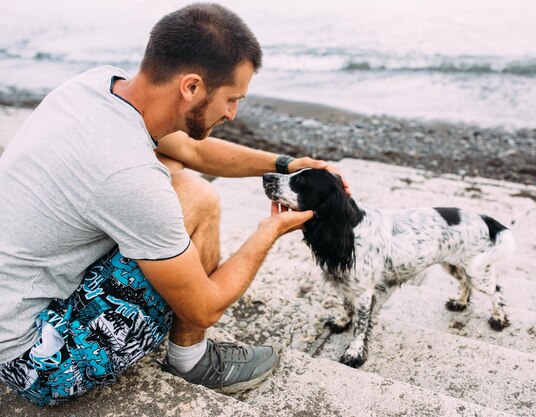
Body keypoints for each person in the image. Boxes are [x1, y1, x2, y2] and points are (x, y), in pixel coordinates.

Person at [0, 3, 349, 406]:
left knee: (172, 162)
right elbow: (205, 308)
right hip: (34, 357)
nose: (233, 114)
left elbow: (191, 150)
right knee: (198, 197)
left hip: (11, 296)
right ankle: (192, 360)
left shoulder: (95, 85)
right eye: (231, 98)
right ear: (192, 87)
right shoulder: (128, 175)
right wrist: (268, 231)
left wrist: (285, 163)